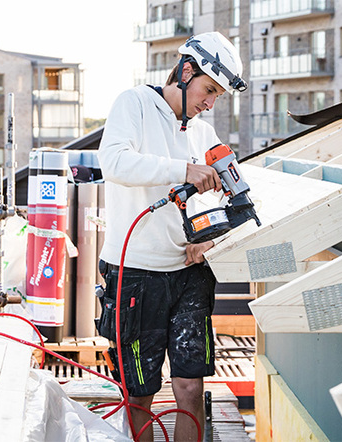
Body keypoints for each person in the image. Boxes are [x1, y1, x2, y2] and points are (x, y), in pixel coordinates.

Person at [96, 32, 247, 441]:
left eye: (217, 95)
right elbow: (114, 162)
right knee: (139, 393)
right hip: (136, 275)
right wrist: (182, 170)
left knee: (190, 387)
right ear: (185, 71)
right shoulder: (136, 104)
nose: (210, 102)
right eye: (208, 89)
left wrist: (210, 238)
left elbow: (229, 192)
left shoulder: (203, 133)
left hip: (188, 275)